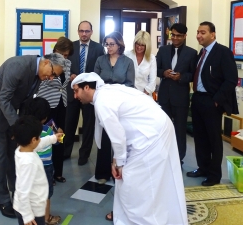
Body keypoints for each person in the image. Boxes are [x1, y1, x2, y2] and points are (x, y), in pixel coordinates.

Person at [71, 72, 187, 225]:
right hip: (150, 131)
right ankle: (129, 216)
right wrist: (116, 160)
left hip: (152, 135)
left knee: (134, 180)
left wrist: (119, 163)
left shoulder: (102, 101)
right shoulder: (105, 92)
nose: (75, 96)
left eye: (76, 91)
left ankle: (145, 220)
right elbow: (118, 134)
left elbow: (118, 137)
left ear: (86, 87)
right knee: (134, 179)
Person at [0, 53, 69, 218]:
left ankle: (18, 195)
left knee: (13, 152)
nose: (51, 78)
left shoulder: (39, 75)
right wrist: (18, 128)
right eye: (52, 73)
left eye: (55, 77)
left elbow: (25, 102)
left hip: (8, 114)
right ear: (46, 62)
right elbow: (3, 99)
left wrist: (24, 127)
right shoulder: (18, 66)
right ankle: (3, 201)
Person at [187, 21, 238, 186]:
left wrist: (217, 100)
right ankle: (203, 168)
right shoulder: (201, 53)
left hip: (212, 101)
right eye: (197, 32)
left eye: (203, 32)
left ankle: (214, 175)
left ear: (212, 34)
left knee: (213, 140)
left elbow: (231, 80)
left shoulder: (223, 52)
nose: (198, 35)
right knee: (199, 137)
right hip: (198, 99)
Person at [94, 31, 135, 184]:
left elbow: (130, 84)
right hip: (104, 102)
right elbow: (95, 81)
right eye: (107, 44)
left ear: (119, 45)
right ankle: (103, 173)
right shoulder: (100, 60)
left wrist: (116, 90)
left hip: (120, 103)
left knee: (119, 136)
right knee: (105, 137)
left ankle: (119, 168)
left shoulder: (127, 62)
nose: (109, 47)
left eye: (112, 44)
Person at [63, 20, 105, 165]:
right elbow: (64, 65)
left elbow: (100, 69)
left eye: (87, 31)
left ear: (91, 32)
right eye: (81, 31)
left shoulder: (99, 48)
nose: (84, 34)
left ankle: (84, 155)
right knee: (69, 124)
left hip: (89, 94)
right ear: (78, 31)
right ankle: (65, 152)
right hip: (73, 92)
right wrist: (70, 75)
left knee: (88, 126)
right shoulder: (72, 46)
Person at [156, 23, 197, 165]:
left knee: (180, 129)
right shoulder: (163, 50)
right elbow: (155, 69)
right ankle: (163, 155)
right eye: (173, 35)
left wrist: (181, 77)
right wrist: (163, 73)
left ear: (185, 36)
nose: (175, 38)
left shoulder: (192, 53)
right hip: (164, 96)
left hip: (181, 96)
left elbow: (193, 75)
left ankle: (178, 158)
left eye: (178, 36)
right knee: (164, 127)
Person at [12, 115, 64, 225]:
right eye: (38, 137)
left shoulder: (22, 149)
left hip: (30, 207)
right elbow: (22, 190)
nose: (40, 139)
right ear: (33, 140)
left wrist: (53, 138)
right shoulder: (28, 162)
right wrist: (27, 216)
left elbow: (39, 144)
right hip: (31, 211)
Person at [37, 37, 73, 185]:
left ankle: (58, 172)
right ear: (55, 50)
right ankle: (47, 174)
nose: (63, 58)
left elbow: (63, 84)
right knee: (47, 136)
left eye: (66, 55)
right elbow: (42, 81)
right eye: (61, 54)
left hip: (61, 104)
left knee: (60, 135)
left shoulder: (68, 63)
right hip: (48, 104)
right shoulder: (47, 62)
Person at [26, 97, 63, 225]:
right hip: (45, 167)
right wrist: (60, 134)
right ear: (45, 116)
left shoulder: (26, 131)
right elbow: (58, 143)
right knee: (46, 193)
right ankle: (46, 218)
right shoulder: (48, 130)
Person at [125, 30, 156, 96]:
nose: (139, 47)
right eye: (137, 44)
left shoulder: (152, 58)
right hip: (128, 93)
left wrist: (143, 95)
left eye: (142, 45)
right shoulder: (127, 55)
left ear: (147, 46)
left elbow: (152, 81)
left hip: (144, 94)